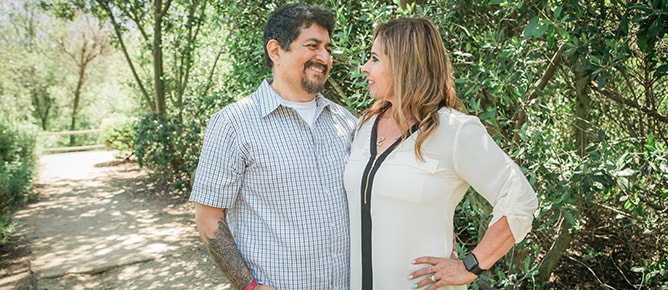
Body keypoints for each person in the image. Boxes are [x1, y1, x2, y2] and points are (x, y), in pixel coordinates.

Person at [343, 17, 538, 290]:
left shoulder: (456, 131)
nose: (365, 68)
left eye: (375, 59)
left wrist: (471, 265)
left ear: (404, 65)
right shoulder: (365, 125)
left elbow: (520, 198)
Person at [190, 3, 357, 290]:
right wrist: (249, 286)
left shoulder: (346, 121)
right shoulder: (233, 123)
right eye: (312, 45)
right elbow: (208, 219)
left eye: (328, 48)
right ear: (276, 51)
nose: (324, 57)